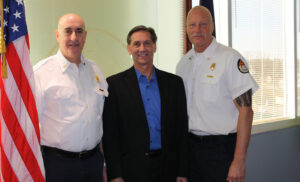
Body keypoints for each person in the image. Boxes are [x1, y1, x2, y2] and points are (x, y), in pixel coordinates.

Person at [176, 6, 258, 182]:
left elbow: (246, 110)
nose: (197, 30)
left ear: (212, 27)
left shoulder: (230, 58)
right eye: (192, 25)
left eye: (203, 24)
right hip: (191, 149)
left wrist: (239, 161)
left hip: (221, 150)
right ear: (186, 29)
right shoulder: (183, 63)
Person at [102, 25, 188, 182]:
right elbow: (110, 135)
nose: (142, 48)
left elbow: (181, 131)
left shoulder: (174, 83)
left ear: (154, 47)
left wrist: (182, 171)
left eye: (147, 43)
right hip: (131, 170)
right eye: (136, 44)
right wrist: (115, 175)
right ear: (129, 49)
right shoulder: (114, 85)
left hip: (168, 168)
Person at [33, 13, 108, 182]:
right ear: (57, 35)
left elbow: (100, 120)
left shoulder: (96, 71)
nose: (74, 37)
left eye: (79, 31)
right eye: (68, 31)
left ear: (85, 36)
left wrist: (103, 165)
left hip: (93, 163)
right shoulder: (41, 73)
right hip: (58, 165)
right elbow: (30, 126)